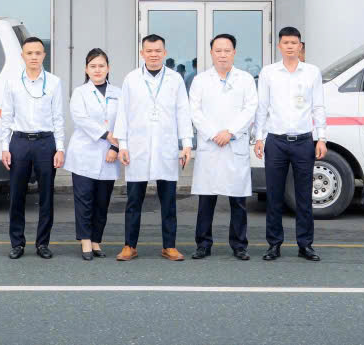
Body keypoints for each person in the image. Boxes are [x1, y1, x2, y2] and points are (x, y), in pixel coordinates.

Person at [114, 34, 193, 262]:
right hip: (137, 148)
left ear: (164, 53)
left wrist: (187, 144)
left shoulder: (175, 79)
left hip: (166, 147)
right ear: (142, 53)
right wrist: (123, 145)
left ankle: (169, 246)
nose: (154, 55)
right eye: (149, 51)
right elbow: (123, 113)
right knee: (133, 201)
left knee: (168, 202)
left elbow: (183, 112)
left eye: (158, 51)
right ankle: (129, 246)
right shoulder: (131, 79)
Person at [254, 26, 326, 262]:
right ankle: (274, 244)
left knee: (304, 197)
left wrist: (321, 137)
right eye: (285, 43)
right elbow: (262, 107)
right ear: (279, 46)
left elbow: (318, 106)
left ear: (300, 46)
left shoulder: (312, 72)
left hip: (304, 141)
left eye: (294, 43)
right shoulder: (269, 72)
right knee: (274, 196)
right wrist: (259, 137)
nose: (290, 47)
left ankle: (305, 245)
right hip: (276, 141)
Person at [188, 33, 258, 261]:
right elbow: (195, 111)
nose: (222, 55)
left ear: (234, 53)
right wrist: (213, 134)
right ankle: (203, 244)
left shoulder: (245, 79)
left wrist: (230, 132)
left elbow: (250, 108)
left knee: (237, 199)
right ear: (211, 53)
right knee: (206, 200)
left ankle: (239, 245)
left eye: (227, 51)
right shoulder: (200, 80)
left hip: (233, 143)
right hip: (211, 146)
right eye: (218, 51)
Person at [0, 37, 65, 260]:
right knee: (16, 195)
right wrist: (5, 147)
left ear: (44, 55)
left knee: (46, 195)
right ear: (23, 56)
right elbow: (6, 116)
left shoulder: (54, 82)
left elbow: (58, 117)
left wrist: (60, 148)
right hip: (19, 142)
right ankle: (17, 243)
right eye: (29, 53)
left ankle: (42, 243)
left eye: (38, 53)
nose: (34, 57)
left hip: (45, 143)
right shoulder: (12, 83)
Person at [64, 48, 122, 261]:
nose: (97, 70)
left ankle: (96, 239)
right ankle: (86, 240)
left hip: (109, 154)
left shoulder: (118, 93)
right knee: (84, 200)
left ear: (108, 68)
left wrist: (115, 148)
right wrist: (107, 135)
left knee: (102, 201)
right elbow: (81, 119)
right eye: (93, 66)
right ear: (86, 69)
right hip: (83, 154)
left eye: (101, 66)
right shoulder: (80, 92)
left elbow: (124, 122)